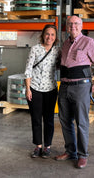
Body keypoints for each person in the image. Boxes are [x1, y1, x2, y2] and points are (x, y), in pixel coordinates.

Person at [55, 15, 94, 169]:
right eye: (70, 24)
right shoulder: (64, 44)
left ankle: (83, 155)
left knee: (81, 122)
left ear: (81, 26)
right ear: (66, 26)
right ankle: (70, 151)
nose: (73, 26)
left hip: (81, 87)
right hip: (64, 86)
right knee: (65, 120)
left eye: (76, 23)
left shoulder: (88, 42)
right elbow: (61, 65)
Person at [24, 24, 60, 159]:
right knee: (36, 119)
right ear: (42, 35)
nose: (49, 37)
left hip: (51, 89)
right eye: (47, 34)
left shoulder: (58, 51)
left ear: (55, 37)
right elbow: (28, 69)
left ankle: (47, 147)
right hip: (35, 89)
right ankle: (38, 146)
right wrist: (28, 89)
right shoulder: (35, 49)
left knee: (49, 119)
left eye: (52, 35)